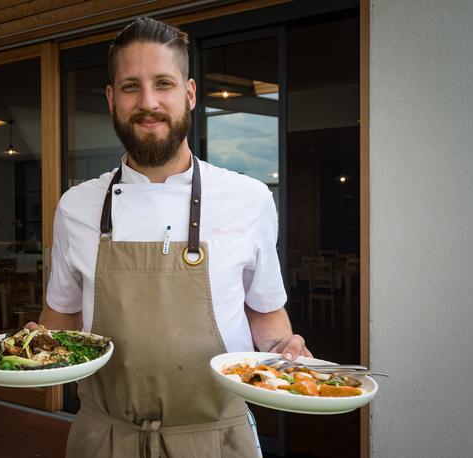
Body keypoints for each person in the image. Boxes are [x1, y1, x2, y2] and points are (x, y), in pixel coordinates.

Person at [32, 17, 311, 458]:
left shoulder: (249, 199)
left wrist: (283, 348)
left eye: (163, 83)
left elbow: (265, 313)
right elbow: (61, 315)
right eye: (130, 86)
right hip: (104, 437)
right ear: (111, 98)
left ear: (190, 93)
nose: (148, 102)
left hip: (217, 436)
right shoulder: (75, 207)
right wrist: (31, 347)